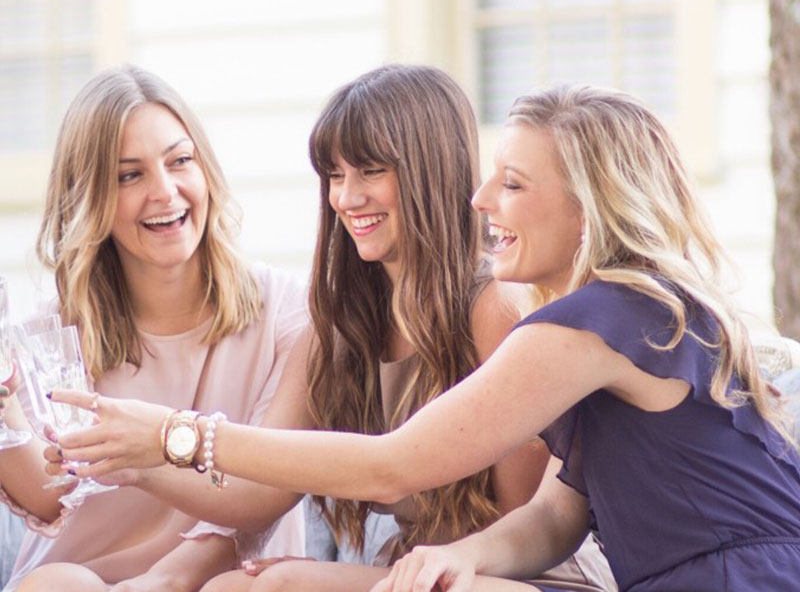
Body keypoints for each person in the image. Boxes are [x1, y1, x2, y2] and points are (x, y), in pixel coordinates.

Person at [54, 83, 800, 591]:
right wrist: (453, 559)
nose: (480, 200)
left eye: (511, 183)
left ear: (587, 207)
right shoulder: (599, 326)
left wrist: (176, 437)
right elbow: (553, 515)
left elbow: (393, 466)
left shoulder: (593, 322)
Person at [190, 65, 612, 591]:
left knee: (281, 583)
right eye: (335, 176)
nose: (346, 198)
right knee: (235, 587)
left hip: (523, 576)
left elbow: (524, 523)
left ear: (428, 172)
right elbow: (255, 491)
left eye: (369, 171)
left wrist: (174, 437)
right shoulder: (340, 324)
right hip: (415, 575)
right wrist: (138, 455)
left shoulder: (494, 308)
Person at [0, 65, 306, 591]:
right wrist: (4, 408)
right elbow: (51, 495)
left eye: (179, 161)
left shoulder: (287, 312)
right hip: (79, 577)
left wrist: (163, 577)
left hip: (228, 579)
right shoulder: (50, 333)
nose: (165, 192)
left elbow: (264, 489)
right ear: (89, 196)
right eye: (128, 175)